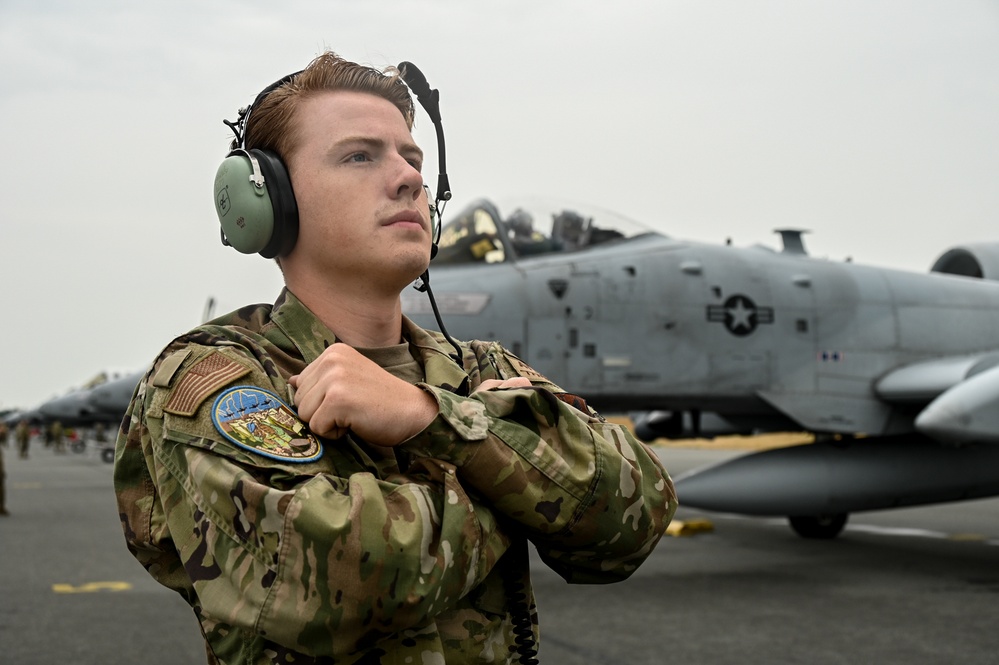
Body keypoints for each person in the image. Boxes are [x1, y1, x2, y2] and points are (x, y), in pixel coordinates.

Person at [114, 50, 677, 664]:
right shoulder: (216, 376)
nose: (411, 178)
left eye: (412, 157)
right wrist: (520, 490)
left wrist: (429, 417)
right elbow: (338, 582)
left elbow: (633, 518)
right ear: (269, 203)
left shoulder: (480, 369)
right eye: (360, 156)